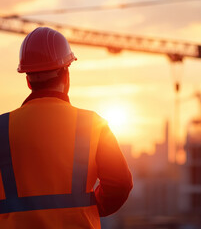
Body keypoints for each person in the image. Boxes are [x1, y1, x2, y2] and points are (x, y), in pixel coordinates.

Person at [0, 27, 133, 228]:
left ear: (28, 80)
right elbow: (120, 184)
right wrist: (93, 207)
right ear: (66, 75)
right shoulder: (93, 125)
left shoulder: (2, 128)